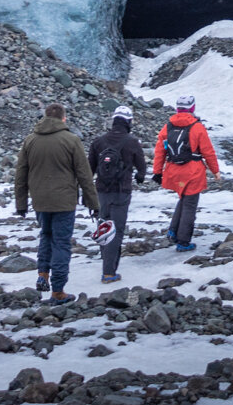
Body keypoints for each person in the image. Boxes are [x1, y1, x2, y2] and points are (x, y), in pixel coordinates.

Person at [15, 102, 99, 304]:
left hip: (40, 200)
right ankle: (58, 290)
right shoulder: (71, 140)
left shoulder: (30, 140)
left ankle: (42, 275)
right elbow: (84, 174)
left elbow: (21, 174)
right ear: (64, 118)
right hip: (64, 201)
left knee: (45, 235)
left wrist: (21, 204)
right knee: (61, 242)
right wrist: (93, 203)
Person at [153, 94, 221, 252]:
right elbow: (208, 152)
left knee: (183, 199)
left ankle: (173, 231)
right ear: (192, 108)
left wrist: (157, 172)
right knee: (190, 204)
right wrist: (215, 171)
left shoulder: (168, 126)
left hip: (173, 170)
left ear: (177, 108)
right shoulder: (197, 127)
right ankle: (183, 241)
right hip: (192, 171)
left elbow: (159, 151)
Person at [88, 105, 148, 284]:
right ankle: (109, 272)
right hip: (121, 192)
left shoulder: (98, 142)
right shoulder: (132, 142)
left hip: (102, 192)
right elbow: (142, 168)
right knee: (117, 230)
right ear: (128, 122)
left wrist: (86, 192)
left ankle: (107, 264)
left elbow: (88, 169)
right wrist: (139, 177)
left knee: (104, 226)